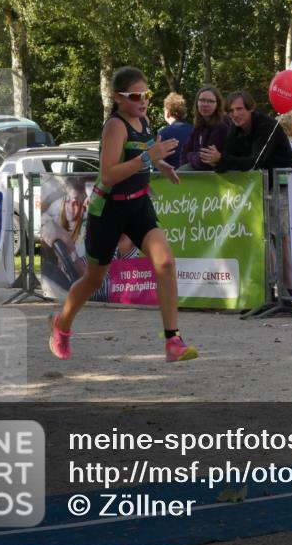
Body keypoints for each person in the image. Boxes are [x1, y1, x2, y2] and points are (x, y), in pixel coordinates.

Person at [48, 67, 198, 363]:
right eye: (135, 96)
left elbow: (143, 157)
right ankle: (61, 326)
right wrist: (148, 158)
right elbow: (108, 173)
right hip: (110, 208)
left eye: (147, 95)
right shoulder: (114, 126)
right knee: (93, 280)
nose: (143, 101)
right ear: (118, 98)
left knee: (165, 262)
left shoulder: (142, 120)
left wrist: (159, 166)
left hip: (138, 205)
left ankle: (173, 341)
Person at [205, 91, 292, 172]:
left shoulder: (266, 126)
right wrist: (216, 162)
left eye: (239, 109)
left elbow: (255, 162)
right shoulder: (235, 128)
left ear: (251, 108)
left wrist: (221, 159)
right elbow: (229, 156)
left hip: (282, 182)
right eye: (231, 111)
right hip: (258, 180)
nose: (235, 114)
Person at [180, 85, 229, 170]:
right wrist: (194, 156)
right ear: (197, 103)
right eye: (202, 100)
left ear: (217, 104)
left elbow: (205, 162)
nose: (205, 104)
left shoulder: (221, 126)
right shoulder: (198, 127)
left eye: (210, 101)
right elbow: (183, 155)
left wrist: (191, 155)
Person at [157, 92, 193, 168]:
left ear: (168, 113)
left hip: (171, 177)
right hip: (198, 177)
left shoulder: (164, 133)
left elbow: (158, 164)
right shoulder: (195, 130)